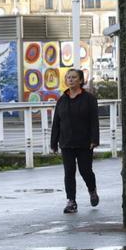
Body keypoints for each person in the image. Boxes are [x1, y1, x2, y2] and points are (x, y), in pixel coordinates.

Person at [50, 69, 99, 214]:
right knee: (69, 172)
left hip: (84, 142)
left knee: (85, 170)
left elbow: (94, 121)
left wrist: (94, 139)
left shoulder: (89, 99)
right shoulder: (62, 100)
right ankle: (71, 201)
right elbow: (56, 122)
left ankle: (92, 190)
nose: (70, 80)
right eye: (68, 77)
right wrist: (54, 142)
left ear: (80, 80)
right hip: (66, 142)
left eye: (74, 77)